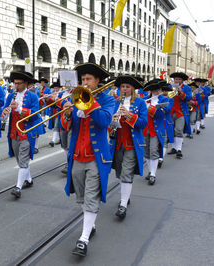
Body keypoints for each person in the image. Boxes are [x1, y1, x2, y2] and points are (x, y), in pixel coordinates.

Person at [60, 63, 115, 257]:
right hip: (77, 156)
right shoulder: (75, 98)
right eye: (82, 80)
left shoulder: (108, 100)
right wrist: (66, 113)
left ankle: (83, 239)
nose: (85, 83)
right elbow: (67, 127)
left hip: (96, 158)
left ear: (97, 81)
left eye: (88, 79)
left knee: (91, 198)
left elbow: (104, 122)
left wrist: (89, 102)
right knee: (82, 198)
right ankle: (90, 225)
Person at [109, 75, 147, 220]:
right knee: (119, 172)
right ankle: (126, 196)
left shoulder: (140, 102)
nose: (124, 89)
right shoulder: (115, 102)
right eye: (122, 87)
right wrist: (112, 120)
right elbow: (109, 123)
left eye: (127, 87)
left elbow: (143, 123)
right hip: (117, 142)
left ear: (132, 89)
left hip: (132, 143)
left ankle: (123, 204)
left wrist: (129, 114)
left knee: (126, 173)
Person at [1, 71, 40, 199]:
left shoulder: (33, 96)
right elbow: (5, 111)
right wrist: (5, 113)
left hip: (26, 132)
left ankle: (18, 187)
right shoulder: (11, 95)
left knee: (23, 160)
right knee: (19, 159)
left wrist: (19, 109)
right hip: (13, 132)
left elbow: (35, 115)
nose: (16, 86)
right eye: (15, 83)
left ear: (26, 83)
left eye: (19, 83)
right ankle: (28, 179)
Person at [142, 80, 168, 185]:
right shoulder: (144, 99)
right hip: (145, 129)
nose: (156, 92)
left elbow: (164, 113)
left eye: (158, 90)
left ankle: (153, 174)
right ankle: (150, 170)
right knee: (146, 152)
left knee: (153, 151)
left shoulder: (164, 100)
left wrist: (151, 108)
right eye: (154, 90)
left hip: (156, 130)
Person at [168, 72, 192, 159]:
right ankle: (174, 148)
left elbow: (189, 98)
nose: (177, 81)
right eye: (176, 79)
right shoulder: (170, 87)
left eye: (179, 79)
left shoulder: (187, 88)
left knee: (178, 130)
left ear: (182, 80)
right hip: (170, 111)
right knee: (172, 130)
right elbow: (166, 97)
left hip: (181, 112)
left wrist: (181, 93)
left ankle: (179, 149)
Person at [158, 82, 174, 168]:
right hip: (156, 124)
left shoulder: (170, 99)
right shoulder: (155, 99)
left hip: (165, 123)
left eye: (165, 91)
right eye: (162, 91)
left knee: (164, 141)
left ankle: (161, 159)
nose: (164, 92)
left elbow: (167, 109)